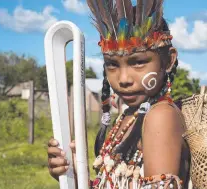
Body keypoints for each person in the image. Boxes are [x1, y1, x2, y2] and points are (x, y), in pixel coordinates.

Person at [47, 0, 191, 188]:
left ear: (169, 61)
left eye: (138, 62)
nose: (123, 79)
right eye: (112, 64)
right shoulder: (129, 115)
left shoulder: (160, 116)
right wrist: (75, 175)